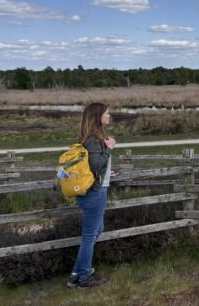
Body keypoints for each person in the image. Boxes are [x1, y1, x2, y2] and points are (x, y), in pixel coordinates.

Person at [66, 102, 116, 289]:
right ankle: (84, 278)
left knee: (97, 231)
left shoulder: (91, 138)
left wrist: (106, 171)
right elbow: (95, 164)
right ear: (98, 117)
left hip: (95, 188)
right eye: (106, 113)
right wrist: (110, 147)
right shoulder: (94, 139)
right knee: (89, 236)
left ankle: (76, 274)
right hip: (95, 192)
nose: (109, 115)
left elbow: (94, 166)